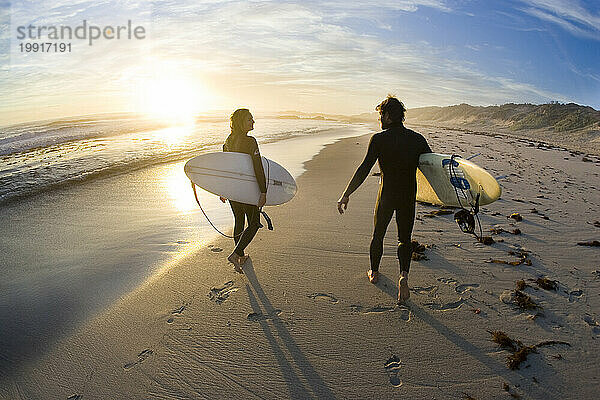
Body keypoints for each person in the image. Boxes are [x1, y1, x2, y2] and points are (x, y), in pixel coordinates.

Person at [337, 95, 431, 303]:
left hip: (387, 194)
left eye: (380, 115)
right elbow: (431, 168)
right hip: (408, 196)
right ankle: (403, 276)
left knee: (378, 235)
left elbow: (364, 169)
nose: (379, 120)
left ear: (388, 116)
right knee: (404, 239)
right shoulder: (417, 139)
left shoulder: (379, 139)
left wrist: (346, 193)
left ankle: (374, 272)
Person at [221, 108, 267, 273]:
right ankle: (237, 253)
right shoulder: (250, 142)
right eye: (249, 119)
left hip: (233, 189)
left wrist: (223, 190)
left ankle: (239, 255)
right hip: (247, 189)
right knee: (254, 223)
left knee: (239, 220)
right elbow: (258, 168)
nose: (253, 122)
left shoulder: (228, 141)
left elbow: (226, 169)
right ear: (241, 122)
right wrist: (263, 191)